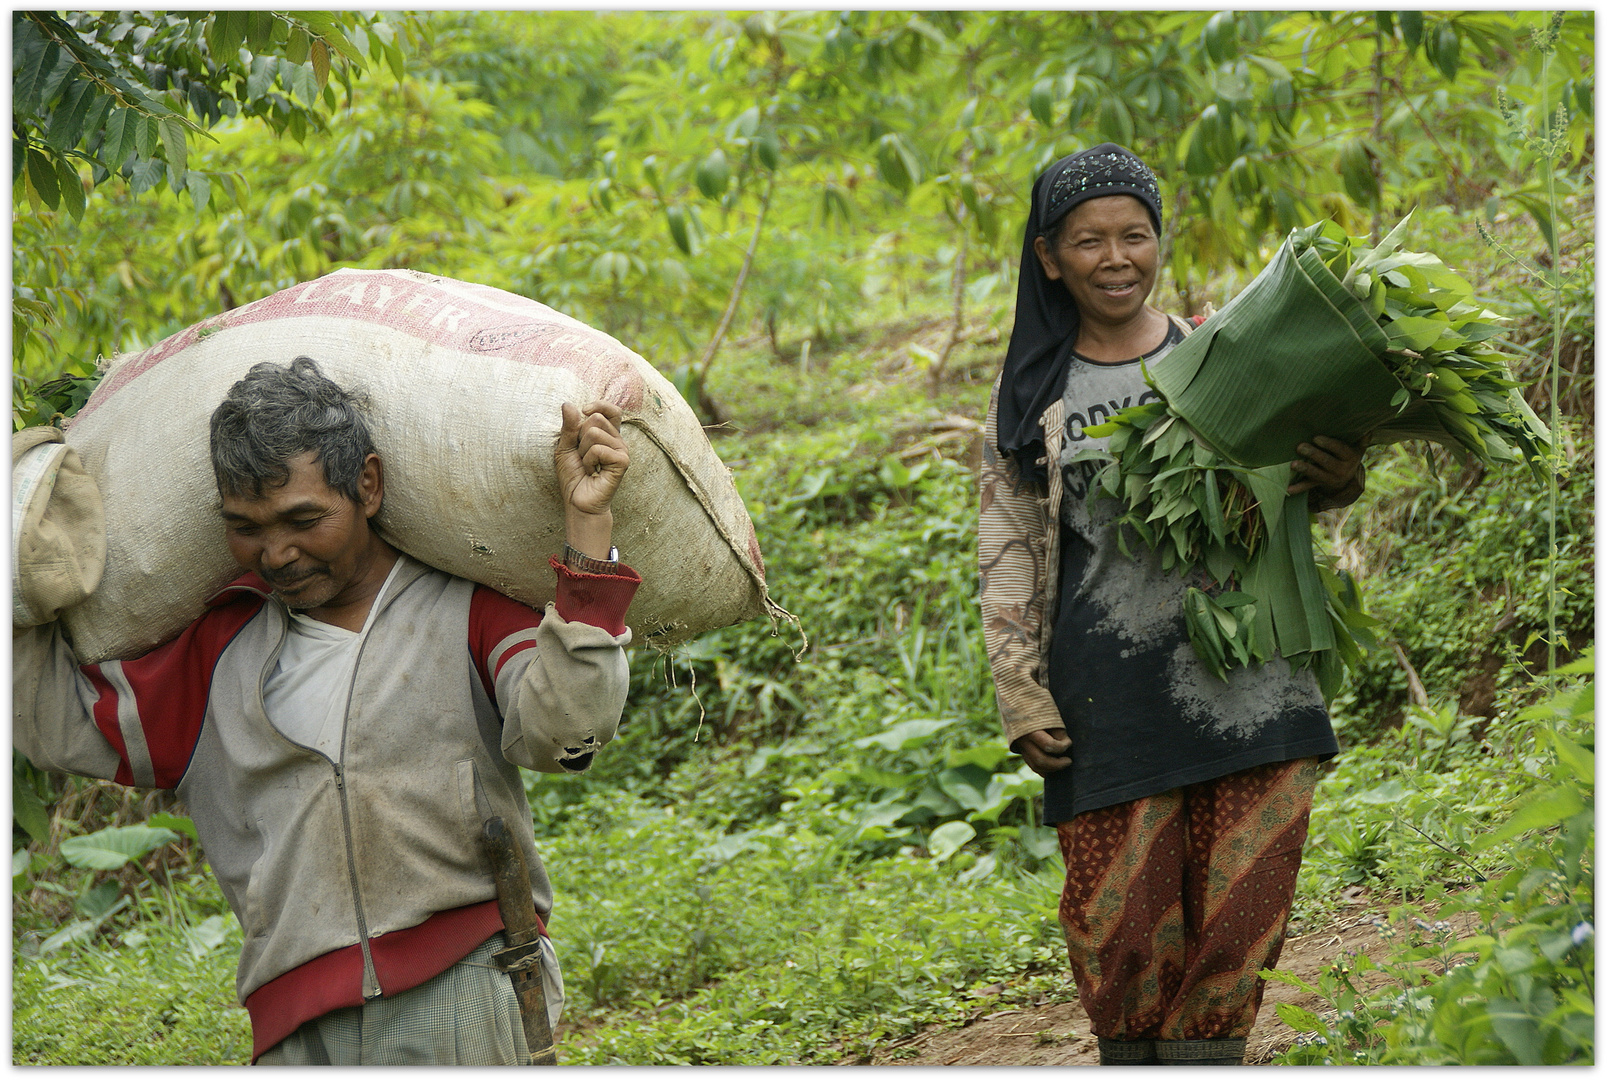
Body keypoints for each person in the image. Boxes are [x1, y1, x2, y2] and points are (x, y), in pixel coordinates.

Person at [14, 357, 640, 1065]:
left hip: (470, 983)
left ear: (367, 486)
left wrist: (588, 531)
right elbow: (49, 723)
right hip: (295, 1028)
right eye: (245, 527)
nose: (276, 553)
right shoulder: (214, 656)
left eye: (303, 519)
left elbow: (564, 736)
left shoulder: (466, 612)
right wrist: (21, 579)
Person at [978, 144, 1365, 1067]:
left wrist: (1340, 475)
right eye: (1088, 241)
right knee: (1121, 951)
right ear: (1048, 257)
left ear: (1158, 241)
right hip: (1107, 708)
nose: (1115, 258)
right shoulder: (1036, 399)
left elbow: (1298, 474)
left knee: (1235, 946)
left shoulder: (1220, 357)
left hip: (1256, 691)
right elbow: (1006, 556)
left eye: (1134, 235)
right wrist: (1017, 687)